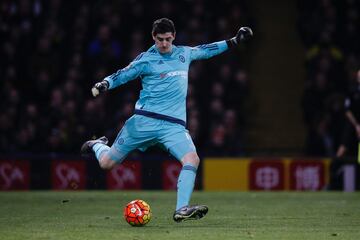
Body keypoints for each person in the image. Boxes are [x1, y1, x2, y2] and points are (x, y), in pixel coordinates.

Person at [81, 18, 253, 222]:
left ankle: (181, 209)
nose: (164, 43)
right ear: (153, 37)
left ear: (174, 37)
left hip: (173, 126)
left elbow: (206, 50)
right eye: (160, 39)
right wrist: (105, 83)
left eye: (168, 39)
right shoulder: (145, 60)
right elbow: (124, 74)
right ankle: (96, 144)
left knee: (192, 160)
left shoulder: (184, 53)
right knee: (107, 164)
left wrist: (234, 41)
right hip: (143, 122)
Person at [336, 69, 360, 158]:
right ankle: (333, 168)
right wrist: (357, 125)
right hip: (352, 124)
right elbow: (347, 110)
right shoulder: (352, 92)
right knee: (343, 148)